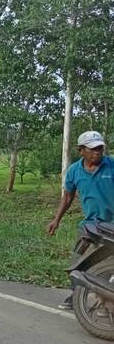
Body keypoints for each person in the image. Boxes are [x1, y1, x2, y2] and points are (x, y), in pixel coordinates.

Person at [46, 130, 114, 310]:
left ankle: (106, 301)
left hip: (113, 225)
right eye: (92, 149)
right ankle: (75, 296)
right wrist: (56, 220)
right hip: (90, 226)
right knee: (79, 262)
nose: (97, 152)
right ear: (81, 150)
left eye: (100, 148)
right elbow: (67, 198)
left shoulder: (111, 165)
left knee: (109, 265)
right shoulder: (74, 171)